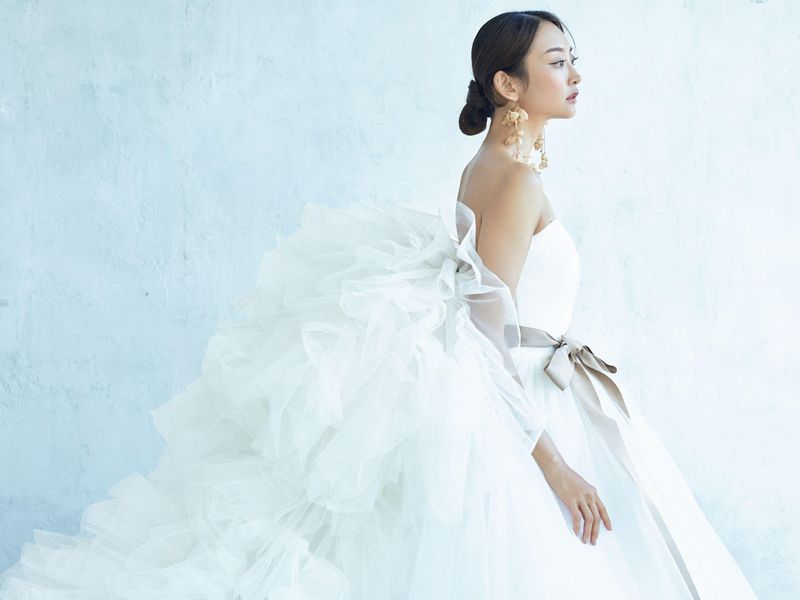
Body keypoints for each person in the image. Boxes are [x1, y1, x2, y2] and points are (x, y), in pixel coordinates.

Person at [0, 9, 759, 599]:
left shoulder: (498, 165)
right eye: (557, 61)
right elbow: (484, 339)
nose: (575, 74)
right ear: (508, 84)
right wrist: (554, 467)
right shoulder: (511, 178)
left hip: (540, 394)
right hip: (521, 410)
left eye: (573, 59)